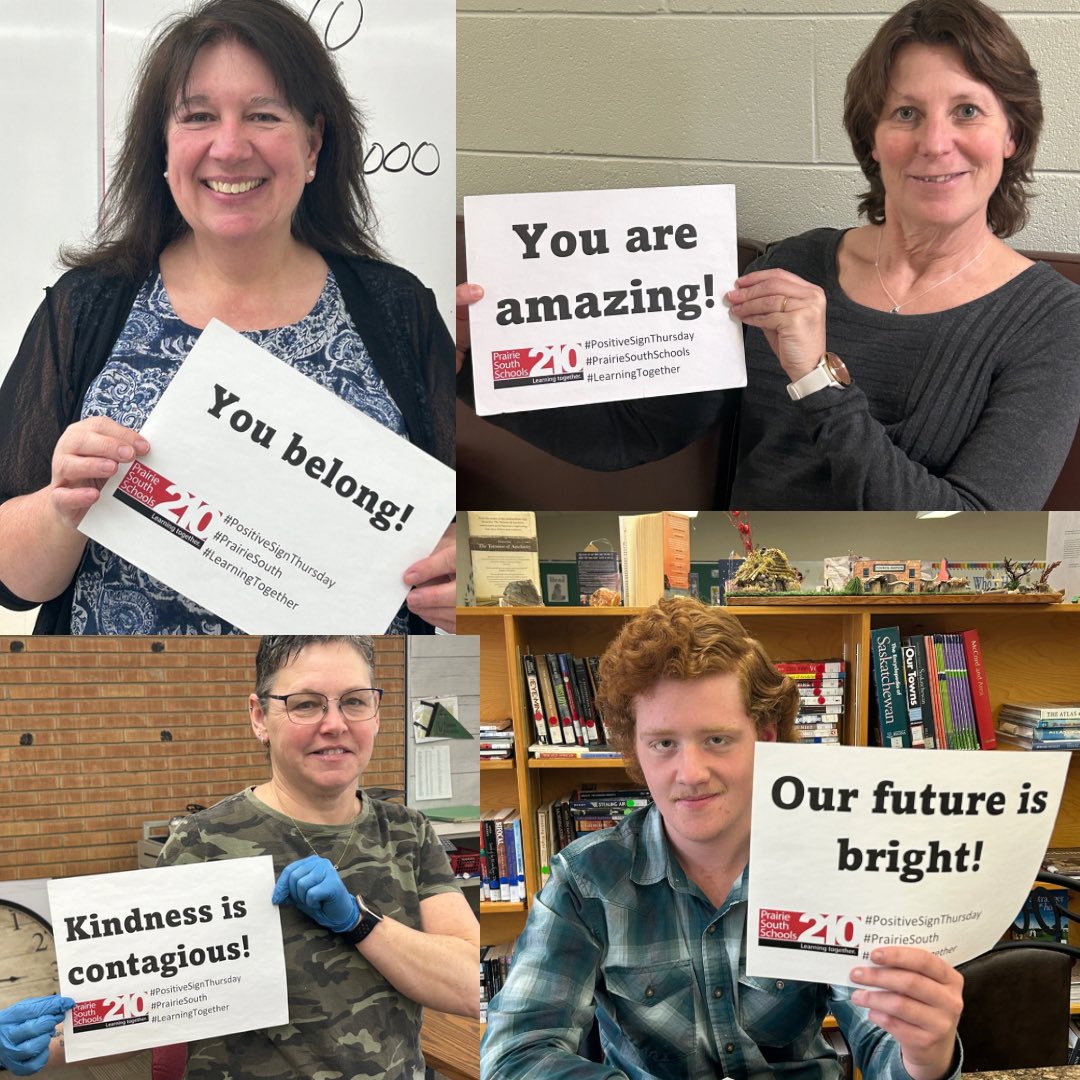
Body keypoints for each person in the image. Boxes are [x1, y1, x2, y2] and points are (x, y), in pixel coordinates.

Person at [457, 0, 1080, 510]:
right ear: (872, 138)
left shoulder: (1052, 320)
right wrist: (475, 362)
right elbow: (632, 433)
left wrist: (816, 380)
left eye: (967, 111)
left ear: (1011, 134)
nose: (935, 143)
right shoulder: (793, 268)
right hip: (745, 614)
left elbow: (972, 537)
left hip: (912, 642)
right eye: (906, 114)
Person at [0, 0, 456, 634]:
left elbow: (466, 529)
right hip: (129, 705)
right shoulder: (86, 307)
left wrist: (467, 579)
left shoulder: (397, 309)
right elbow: (13, 584)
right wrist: (60, 508)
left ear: (314, 142)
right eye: (199, 116)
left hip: (348, 699)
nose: (230, 146)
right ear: (164, 145)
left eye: (264, 115)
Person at [481, 598, 964, 1079]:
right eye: (664, 743)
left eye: (717, 739)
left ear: (766, 738)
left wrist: (923, 1057)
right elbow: (515, 1054)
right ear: (636, 748)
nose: (689, 773)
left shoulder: (833, 865)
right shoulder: (586, 882)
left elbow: (882, 1043)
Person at [0, 634, 480, 1079]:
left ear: (376, 713)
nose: (335, 725)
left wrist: (359, 922)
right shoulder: (202, 842)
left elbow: (466, 987)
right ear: (259, 718)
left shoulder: (407, 832)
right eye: (306, 704)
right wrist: (46, 1042)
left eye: (354, 701)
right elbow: (144, 1007)